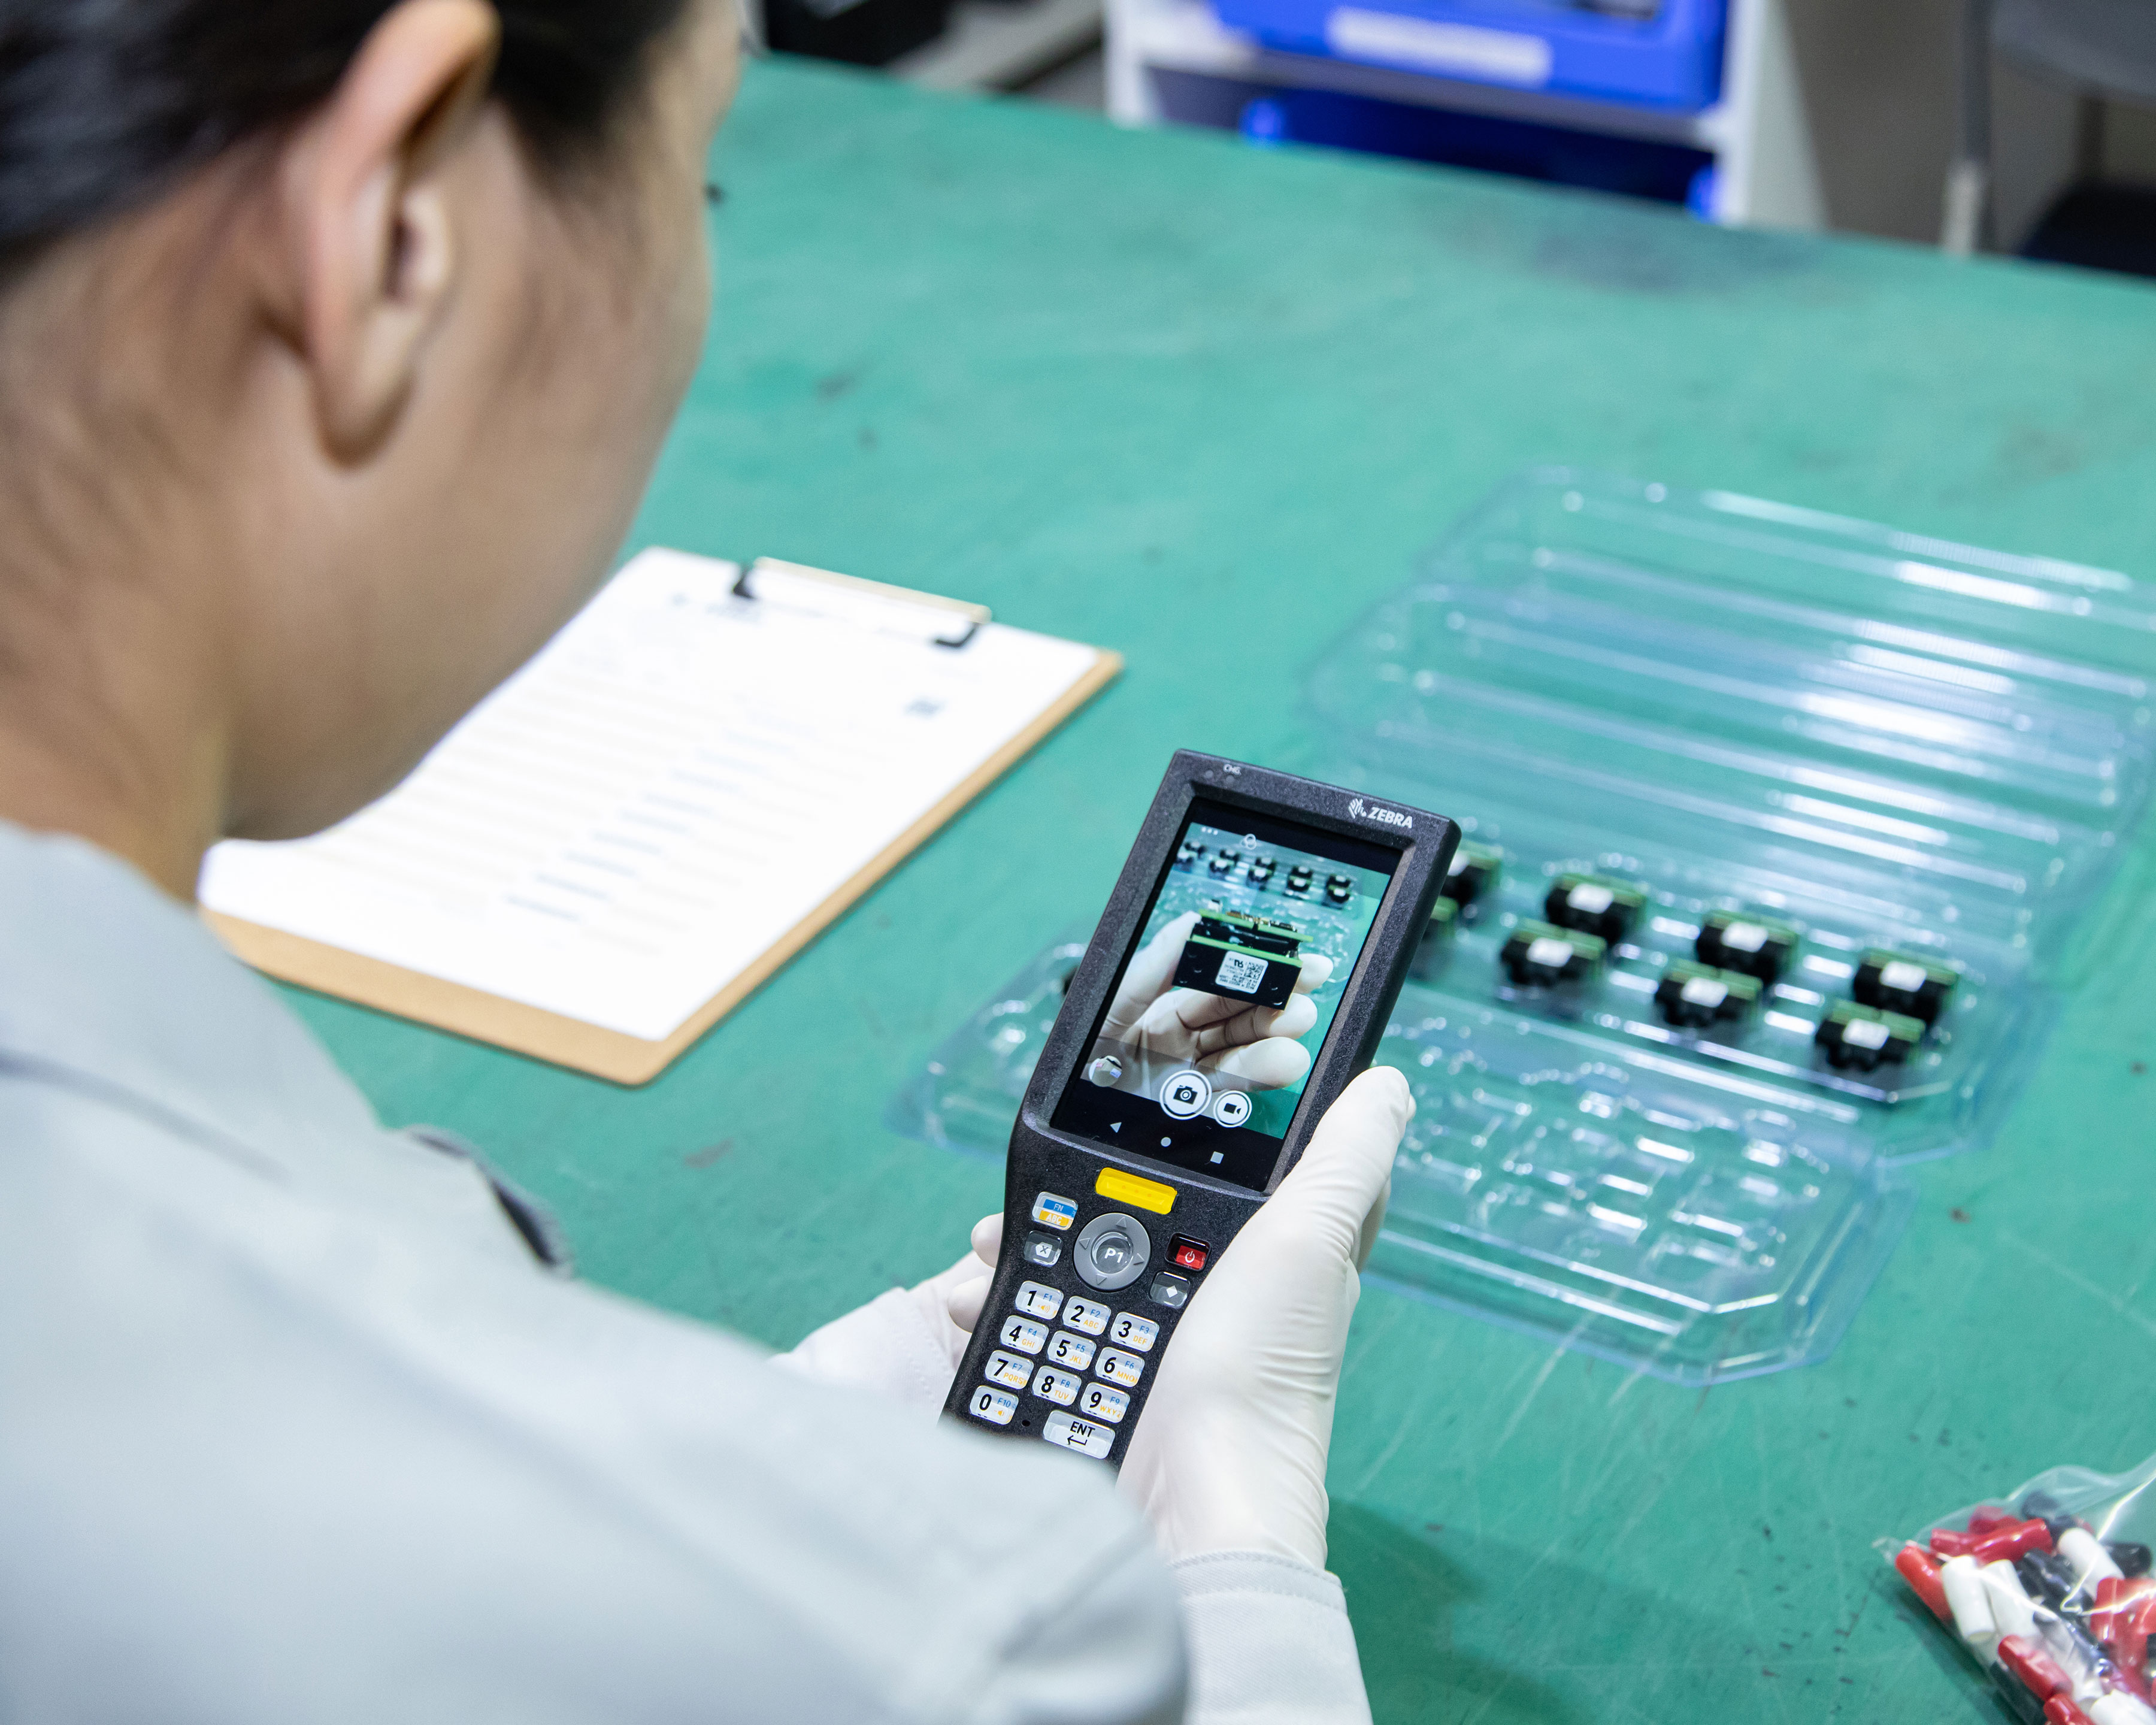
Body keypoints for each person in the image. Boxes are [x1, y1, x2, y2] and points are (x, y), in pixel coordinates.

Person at [0, 3, 1415, 1719]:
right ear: (389, 240)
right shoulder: (970, 1648)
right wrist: (1236, 1590)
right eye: (706, 179)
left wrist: (712, 1445)